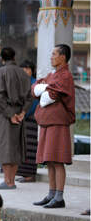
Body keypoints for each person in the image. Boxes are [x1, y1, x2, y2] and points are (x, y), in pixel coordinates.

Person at [32, 44, 76, 209]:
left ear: (62, 57)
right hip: (46, 122)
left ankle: (59, 197)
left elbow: (52, 94)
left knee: (58, 161)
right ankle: (51, 194)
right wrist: (42, 88)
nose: (51, 57)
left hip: (58, 123)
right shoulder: (53, 75)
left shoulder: (65, 76)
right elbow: (35, 88)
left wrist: (43, 88)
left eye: (54, 54)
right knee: (49, 160)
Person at [0, 47, 33, 190]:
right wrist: (22, 113)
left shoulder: (1, 72)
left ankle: (7, 181)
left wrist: (10, 115)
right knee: (16, 147)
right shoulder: (23, 74)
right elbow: (30, 97)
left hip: (5, 114)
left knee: (5, 146)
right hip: (19, 114)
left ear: (2, 59)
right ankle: (12, 181)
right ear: (14, 57)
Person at [16, 60, 39, 183]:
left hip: (31, 119)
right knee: (21, 147)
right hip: (20, 118)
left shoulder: (34, 83)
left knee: (30, 147)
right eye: (23, 69)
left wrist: (24, 114)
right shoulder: (19, 84)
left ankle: (30, 175)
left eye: (28, 69)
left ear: (32, 70)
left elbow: (34, 103)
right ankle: (24, 174)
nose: (25, 71)